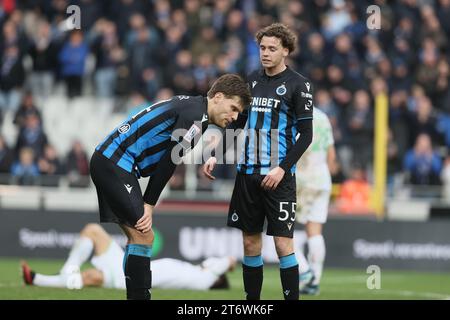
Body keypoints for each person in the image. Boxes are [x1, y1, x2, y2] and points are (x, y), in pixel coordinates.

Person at [89, 73, 251, 300]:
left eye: (238, 112)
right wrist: (149, 203)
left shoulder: (196, 108)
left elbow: (242, 120)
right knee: (144, 236)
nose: (235, 116)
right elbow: (170, 161)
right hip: (114, 163)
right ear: (218, 97)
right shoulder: (195, 116)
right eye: (233, 108)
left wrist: (215, 153)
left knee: (138, 237)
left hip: (110, 161)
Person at [203, 23, 314, 300]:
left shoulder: (299, 85)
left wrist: (282, 168)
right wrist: (215, 148)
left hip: (279, 177)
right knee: (250, 242)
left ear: (285, 51)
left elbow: (306, 135)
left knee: (282, 244)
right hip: (247, 175)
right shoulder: (250, 81)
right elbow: (236, 121)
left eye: (272, 49)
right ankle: (252, 304)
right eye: (262, 48)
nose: (265, 53)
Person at [21, 223, 236, 291]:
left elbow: (229, 260)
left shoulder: (206, 278)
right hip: (130, 269)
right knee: (92, 231)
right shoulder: (196, 274)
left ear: (218, 278)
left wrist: (230, 266)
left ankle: (39, 279)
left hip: (130, 280)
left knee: (89, 277)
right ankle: (63, 270)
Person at [295, 106, 336, 295]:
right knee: (315, 231)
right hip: (322, 178)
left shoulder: (294, 115)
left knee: (281, 228)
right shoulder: (323, 116)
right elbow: (331, 154)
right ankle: (315, 281)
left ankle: (304, 272)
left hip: (301, 179)